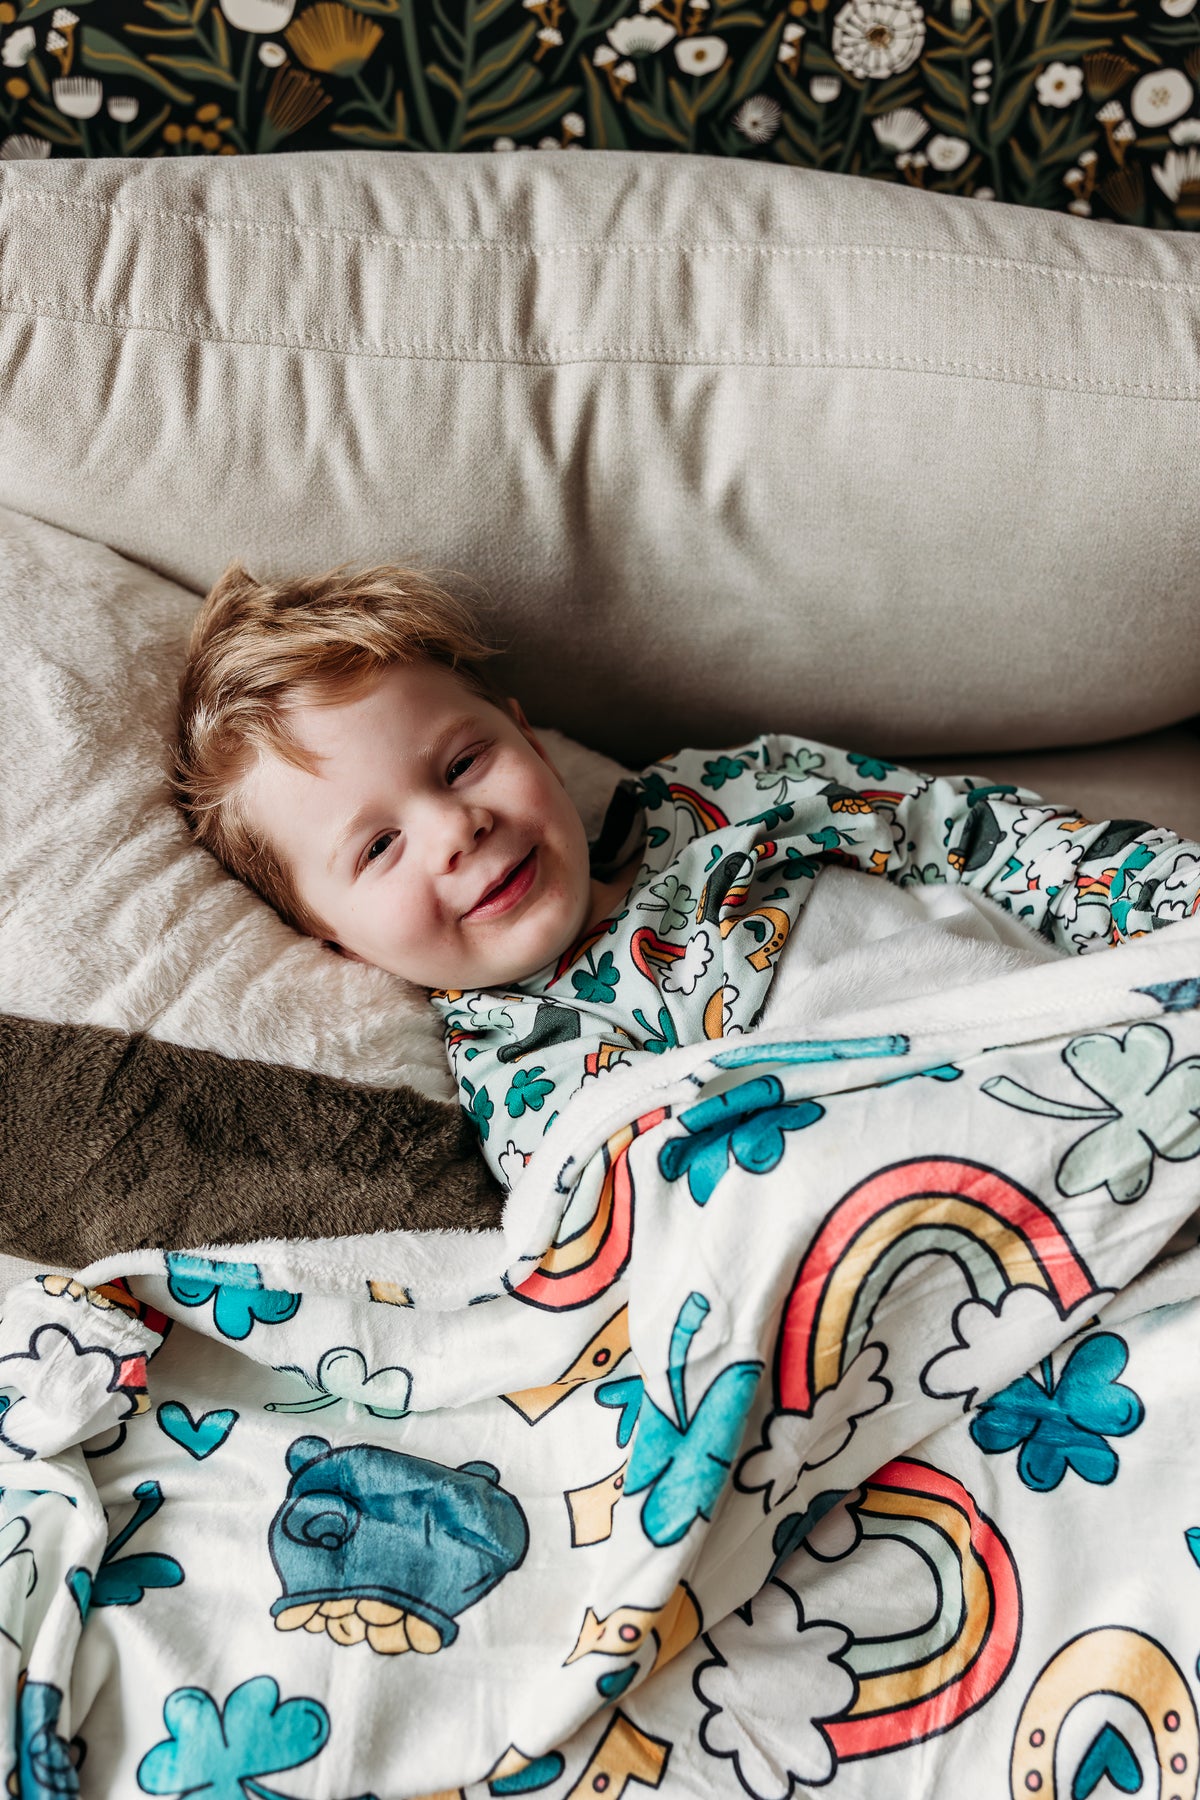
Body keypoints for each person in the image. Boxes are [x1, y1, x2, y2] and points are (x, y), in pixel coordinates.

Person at [172, 560, 1200, 1193]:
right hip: (924, 1165)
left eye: (461, 763)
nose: (455, 827)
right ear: (333, 937)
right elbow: (642, 1209)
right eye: (378, 847)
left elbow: (979, 834)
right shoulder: (520, 1054)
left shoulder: (721, 793)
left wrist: (1170, 901)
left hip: (1091, 1024)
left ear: (524, 735)